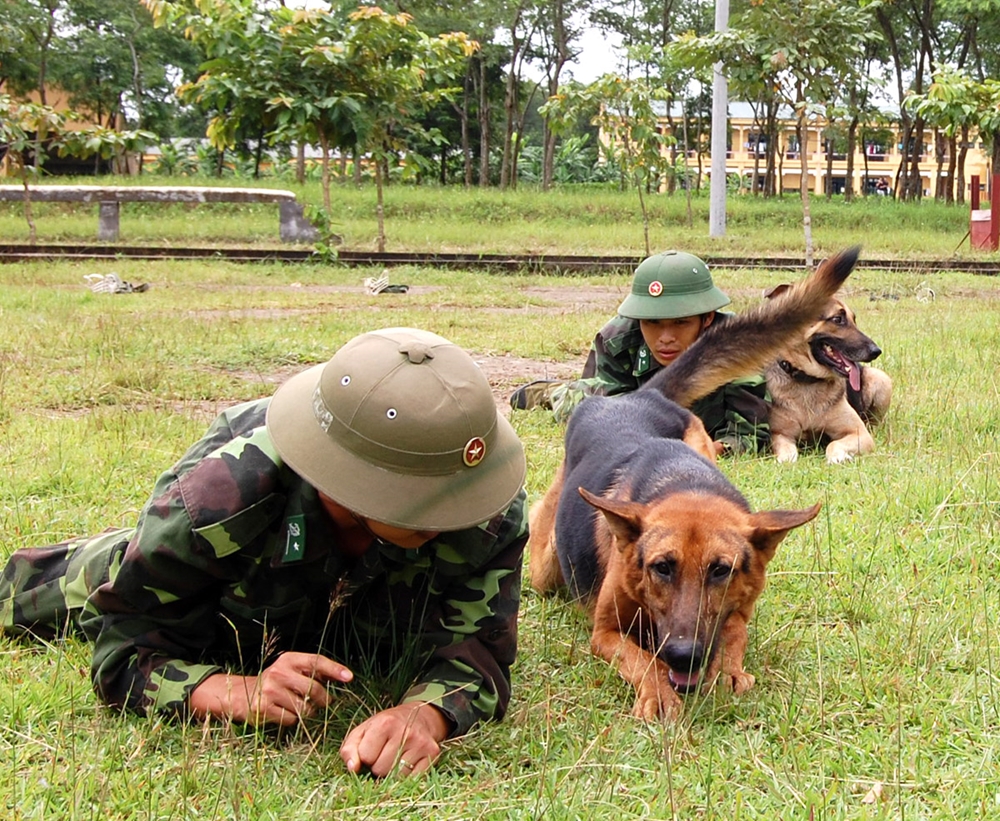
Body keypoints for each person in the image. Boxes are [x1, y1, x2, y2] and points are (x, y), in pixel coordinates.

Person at [0, 327, 527, 779]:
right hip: (221, 595)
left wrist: (425, 715)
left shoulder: (484, 505)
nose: (452, 513)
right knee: (47, 591)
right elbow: (122, 647)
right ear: (346, 480)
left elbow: (482, 650)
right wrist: (231, 690)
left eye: (460, 491)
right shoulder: (220, 499)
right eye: (425, 498)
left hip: (367, 612)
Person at [509, 250, 770, 454]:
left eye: (681, 322)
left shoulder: (737, 345)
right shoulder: (617, 340)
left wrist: (707, 450)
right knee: (582, 403)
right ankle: (552, 393)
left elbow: (750, 433)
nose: (665, 338)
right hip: (630, 400)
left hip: (699, 423)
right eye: (652, 323)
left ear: (708, 318)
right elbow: (603, 417)